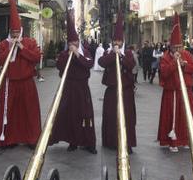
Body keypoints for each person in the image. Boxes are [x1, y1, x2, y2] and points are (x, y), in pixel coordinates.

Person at [0, 0, 42, 147]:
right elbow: (0, 61)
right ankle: (10, 139)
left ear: (21, 31)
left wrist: (21, 48)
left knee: (29, 111)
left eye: (17, 32)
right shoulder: (4, 44)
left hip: (26, 82)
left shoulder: (30, 42)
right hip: (9, 82)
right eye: (13, 32)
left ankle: (31, 138)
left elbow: (35, 57)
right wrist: (9, 48)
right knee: (10, 112)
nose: (15, 35)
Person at [50, 9, 96, 153]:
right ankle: (73, 141)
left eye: (75, 42)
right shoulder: (64, 54)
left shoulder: (85, 52)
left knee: (86, 115)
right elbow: (60, 67)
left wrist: (77, 55)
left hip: (82, 89)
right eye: (71, 42)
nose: (73, 44)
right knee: (70, 114)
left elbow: (89, 64)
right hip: (69, 88)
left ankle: (89, 142)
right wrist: (67, 55)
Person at [157, 14, 193, 152]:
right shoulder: (165, 57)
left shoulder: (187, 54)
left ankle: (186, 139)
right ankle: (172, 141)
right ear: (171, 47)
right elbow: (164, 73)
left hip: (185, 91)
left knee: (186, 117)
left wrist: (184, 65)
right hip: (172, 92)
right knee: (172, 117)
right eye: (175, 47)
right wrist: (175, 63)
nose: (178, 50)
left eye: (180, 47)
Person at [100, 12, 136, 153]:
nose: (117, 44)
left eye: (119, 42)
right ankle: (111, 141)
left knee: (127, 117)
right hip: (112, 90)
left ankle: (128, 143)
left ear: (123, 42)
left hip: (126, 91)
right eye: (115, 42)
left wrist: (120, 55)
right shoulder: (108, 53)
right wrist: (112, 54)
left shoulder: (127, 53)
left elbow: (131, 65)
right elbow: (101, 63)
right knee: (111, 116)